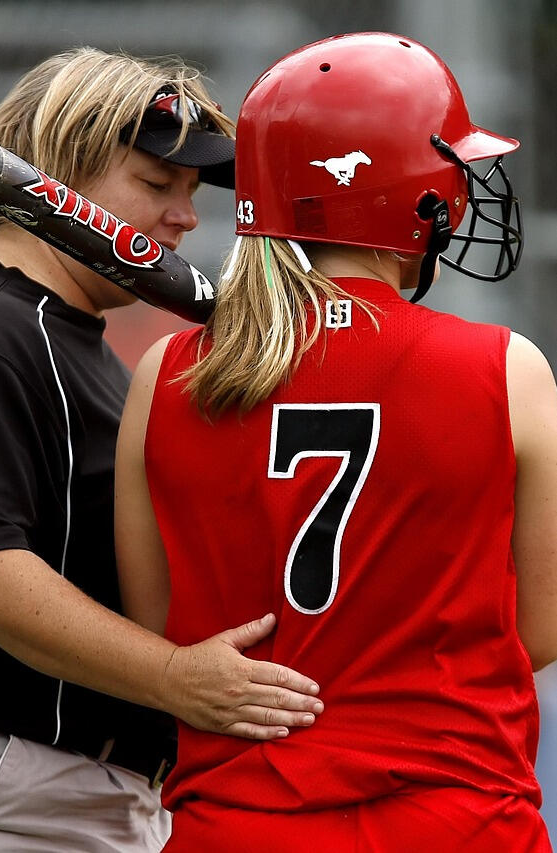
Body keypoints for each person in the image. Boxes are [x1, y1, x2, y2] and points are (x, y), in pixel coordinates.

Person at [0, 47, 325, 853]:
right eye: (156, 186)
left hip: (58, 785)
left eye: (189, 192)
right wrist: (173, 677)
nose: (184, 217)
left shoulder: (64, 330)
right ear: (52, 177)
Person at [114, 33, 556, 852]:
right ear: (411, 190)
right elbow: (538, 630)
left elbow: (159, 626)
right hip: (453, 820)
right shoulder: (507, 368)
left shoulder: (167, 370)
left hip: (232, 824)